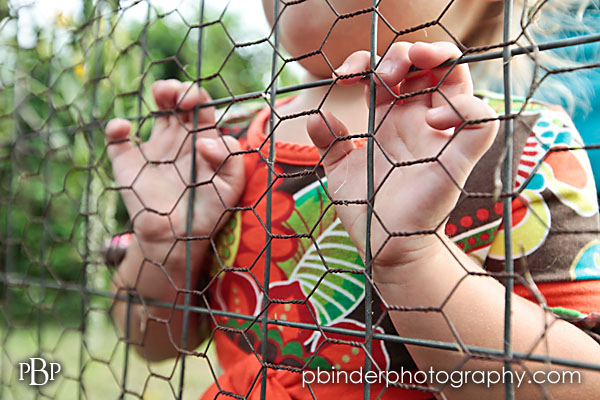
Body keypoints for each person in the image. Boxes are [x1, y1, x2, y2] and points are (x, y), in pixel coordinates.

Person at [105, 0, 600, 398]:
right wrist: (164, 241)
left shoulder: (517, 144)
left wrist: (413, 257)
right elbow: (149, 342)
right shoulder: (225, 154)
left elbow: (582, 381)